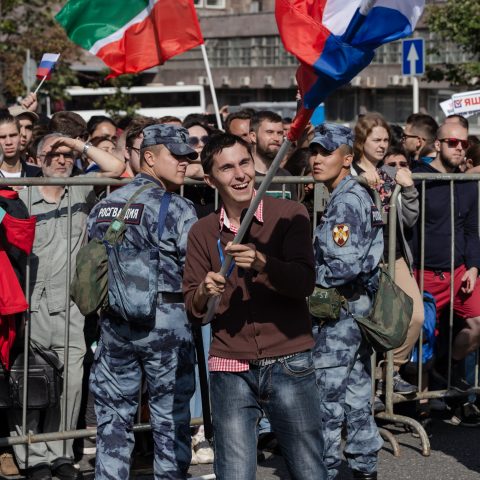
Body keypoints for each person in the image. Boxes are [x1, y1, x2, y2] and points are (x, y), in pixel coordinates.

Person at [183, 132, 327, 480]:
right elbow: (193, 307)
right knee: (233, 472)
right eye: (227, 168)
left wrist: (264, 263)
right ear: (209, 179)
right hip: (229, 366)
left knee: (309, 469)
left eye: (244, 162)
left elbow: (304, 282)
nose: (240, 174)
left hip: (289, 361)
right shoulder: (202, 231)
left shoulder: (290, 213)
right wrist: (204, 290)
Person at [9, 132, 124, 480]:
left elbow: (117, 168)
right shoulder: (22, 196)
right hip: (30, 304)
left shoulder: (80, 189)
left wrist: (76, 145)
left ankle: (60, 451)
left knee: (72, 382)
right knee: (29, 383)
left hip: (72, 306)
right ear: (37, 157)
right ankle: (31, 455)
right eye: (53, 154)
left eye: (66, 156)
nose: (60, 160)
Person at [87, 125, 198, 479]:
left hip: (115, 324)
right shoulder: (179, 208)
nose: (184, 163)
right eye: (176, 155)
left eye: (187, 157)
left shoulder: (105, 205)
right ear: (149, 157)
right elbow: (193, 269)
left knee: (113, 421)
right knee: (170, 419)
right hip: (166, 326)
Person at [309, 123, 383, 480]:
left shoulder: (347, 200)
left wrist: (304, 279)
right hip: (351, 309)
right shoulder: (345, 194)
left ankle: (323, 468)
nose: (317, 158)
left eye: (326, 152)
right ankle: (364, 464)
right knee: (355, 390)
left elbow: (343, 265)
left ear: (347, 158)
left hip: (340, 311)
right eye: (314, 151)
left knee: (326, 396)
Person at [412, 122, 480, 417]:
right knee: (422, 337)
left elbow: (471, 229)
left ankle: (445, 367)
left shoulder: (467, 183)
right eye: (453, 142)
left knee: (477, 323)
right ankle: (422, 405)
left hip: (459, 272)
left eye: (464, 144)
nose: (459, 148)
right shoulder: (418, 176)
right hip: (423, 272)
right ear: (437, 145)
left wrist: (474, 267)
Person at [353, 114, 422, 396]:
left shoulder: (391, 174)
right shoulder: (349, 172)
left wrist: (408, 189)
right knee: (365, 326)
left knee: (414, 316)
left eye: (385, 140)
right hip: (361, 260)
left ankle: (389, 371)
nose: (382, 145)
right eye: (376, 140)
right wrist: (358, 183)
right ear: (361, 141)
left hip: (393, 256)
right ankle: (365, 389)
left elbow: (409, 219)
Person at [249, 110, 296, 200]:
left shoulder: (286, 176)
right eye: (269, 132)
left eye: (280, 133)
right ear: (253, 137)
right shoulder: (242, 176)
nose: (276, 138)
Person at [0, 111, 41, 179]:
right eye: (2, 137)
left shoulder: (38, 174)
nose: (9, 142)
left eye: (13, 135)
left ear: (20, 136)